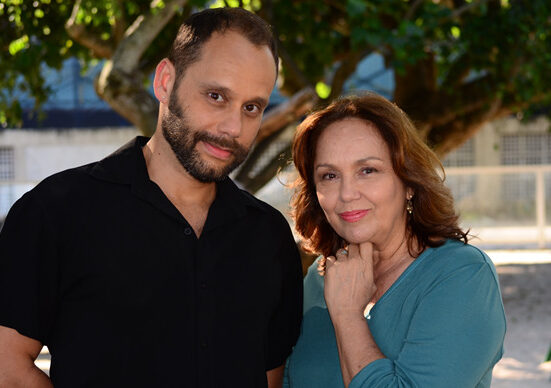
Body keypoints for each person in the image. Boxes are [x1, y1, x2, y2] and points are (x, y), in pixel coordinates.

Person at [0, 7, 303, 388]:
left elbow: (269, 379)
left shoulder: (270, 237)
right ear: (164, 81)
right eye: (215, 96)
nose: (232, 127)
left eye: (252, 107)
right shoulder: (56, 211)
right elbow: (7, 366)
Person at [284, 93, 506, 387]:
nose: (347, 193)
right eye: (329, 176)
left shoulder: (462, 276)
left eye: (368, 170)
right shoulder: (319, 278)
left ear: (409, 183)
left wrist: (348, 316)